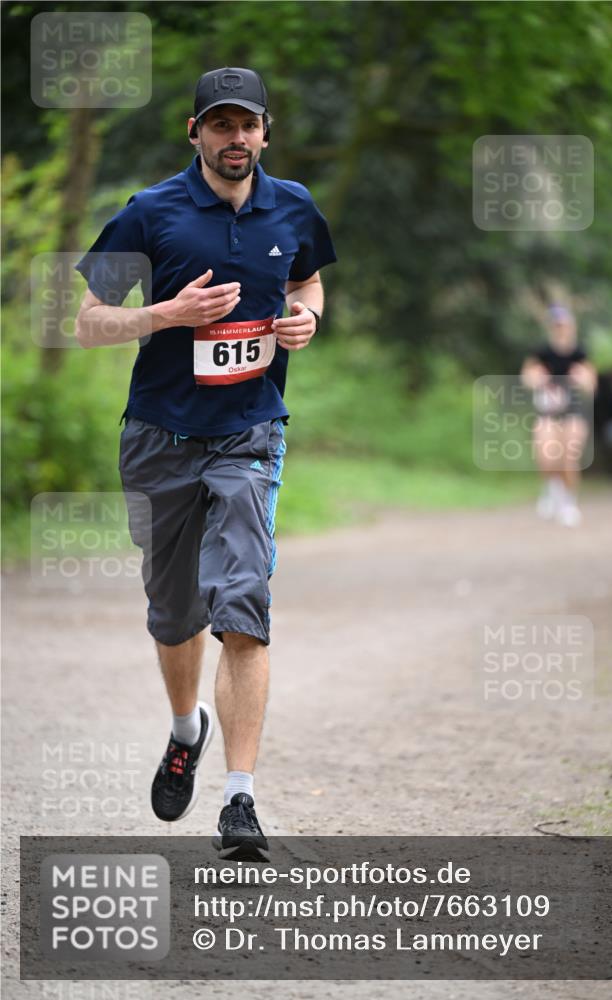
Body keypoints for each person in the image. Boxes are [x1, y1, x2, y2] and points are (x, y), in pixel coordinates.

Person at [74, 67, 336, 861]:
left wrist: (306, 319)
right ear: (195, 133)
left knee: (242, 605)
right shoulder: (149, 212)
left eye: (247, 124)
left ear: (265, 133)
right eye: (220, 125)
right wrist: (167, 314)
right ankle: (187, 728)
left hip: (249, 432)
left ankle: (239, 800)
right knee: (175, 610)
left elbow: (308, 282)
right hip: (159, 434)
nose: (235, 138)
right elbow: (87, 322)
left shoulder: (292, 206)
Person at [520, 306, 597, 527]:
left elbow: (591, 384)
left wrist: (583, 380)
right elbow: (527, 377)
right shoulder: (541, 353)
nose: (560, 329)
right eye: (557, 325)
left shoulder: (580, 354)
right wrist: (536, 379)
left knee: (568, 458)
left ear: (571, 327)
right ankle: (552, 490)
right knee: (547, 458)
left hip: (573, 412)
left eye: (563, 325)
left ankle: (569, 503)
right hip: (548, 412)